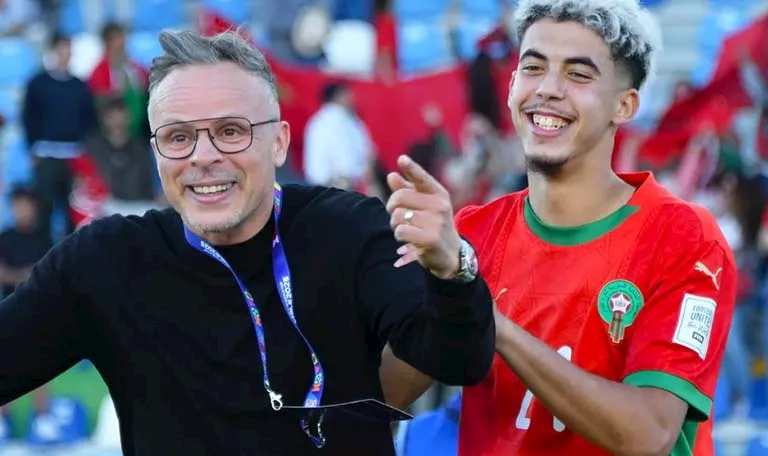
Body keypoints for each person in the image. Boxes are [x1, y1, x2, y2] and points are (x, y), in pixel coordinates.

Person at [0, 29, 495, 455]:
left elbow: (458, 360)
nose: (203, 156)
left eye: (231, 131)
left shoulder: (350, 228)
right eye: (178, 137)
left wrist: (452, 272)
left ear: (278, 142)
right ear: (156, 152)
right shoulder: (105, 259)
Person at [385, 0, 737, 455]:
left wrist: (484, 314)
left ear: (624, 105)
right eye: (533, 68)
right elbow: (382, 396)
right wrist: (443, 288)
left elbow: (649, 433)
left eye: (578, 74)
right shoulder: (473, 233)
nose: (548, 89)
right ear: (512, 85)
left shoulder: (684, 237)